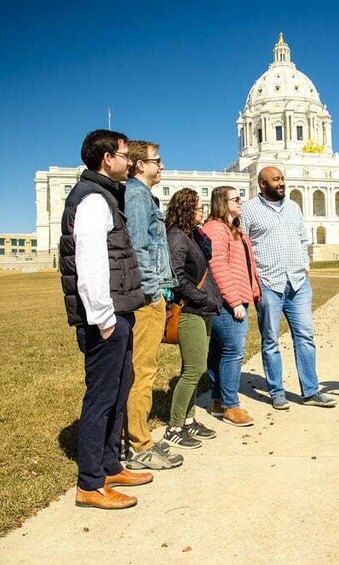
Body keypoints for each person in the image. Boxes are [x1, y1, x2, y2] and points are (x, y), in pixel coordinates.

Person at [59, 129, 153, 510]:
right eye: (124, 154)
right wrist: (102, 316)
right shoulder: (93, 199)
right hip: (106, 316)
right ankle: (90, 483)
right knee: (100, 397)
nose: (130, 161)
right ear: (106, 159)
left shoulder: (105, 196)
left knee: (117, 391)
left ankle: (111, 465)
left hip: (118, 310)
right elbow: (90, 261)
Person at [240, 166, 336, 410]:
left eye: (282, 178)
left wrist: (305, 265)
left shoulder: (293, 207)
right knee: (270, 339)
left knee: (305, 336)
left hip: (298, 282)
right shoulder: (249, 210)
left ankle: (311, 391)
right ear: (262, 184)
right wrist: (253, 279)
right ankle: (276, 392)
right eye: (276, 180)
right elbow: (243, 245)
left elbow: (303, 238)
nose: (282, 183)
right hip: (268, 282)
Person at [121, 140, 183, 470]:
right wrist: (153, 291)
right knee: (142, 370)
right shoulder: (135, 195)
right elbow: (138, 247)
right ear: (138, 164)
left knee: (143, 368)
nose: (161, 166)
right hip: (146, 297)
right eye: (156, 160)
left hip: (152, 291)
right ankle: (138, 445)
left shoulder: (143, 196)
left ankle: (134, 439)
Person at [162, 188, 223, 449]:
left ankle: (188, 420)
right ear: (187, 209)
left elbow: (203, 261)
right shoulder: (176, 237)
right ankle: (175, 426)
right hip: (189, 310)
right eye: (198, 208)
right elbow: (176, 277)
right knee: (193, 370)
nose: (203, 211)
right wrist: (202, 298)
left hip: (202, 309)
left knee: (197, 370)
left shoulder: (193, 236)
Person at [204, 186, 261, 426]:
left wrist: (254, 290)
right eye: (236, 199)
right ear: (222, 202)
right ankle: (230, 405)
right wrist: (235, 301)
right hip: (227, 302)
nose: (241, 202)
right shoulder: (216, 229)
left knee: (219, 351)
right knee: (233, 352)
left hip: (235, 297)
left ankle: (218, 401)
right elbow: (218, 267)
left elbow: (245, 264)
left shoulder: (233, 229)